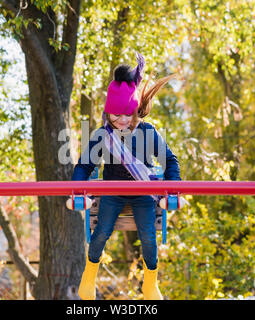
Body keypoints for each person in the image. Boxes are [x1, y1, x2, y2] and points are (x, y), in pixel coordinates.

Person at [71, 53, 181, 300]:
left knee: (148, 238)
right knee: (101, 232)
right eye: (115, 115)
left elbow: (170, 161)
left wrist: (171, 191)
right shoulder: (103, 135)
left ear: (135, 112)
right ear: (108, 112)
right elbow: (84, 165)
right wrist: (79, 191)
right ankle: (88, 278)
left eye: (127, 115)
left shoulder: (147, 132)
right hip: (113, 192)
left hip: (143, 193)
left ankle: (150, 285)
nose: (121, 120)